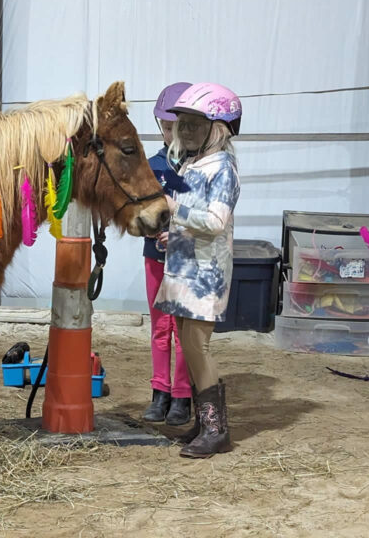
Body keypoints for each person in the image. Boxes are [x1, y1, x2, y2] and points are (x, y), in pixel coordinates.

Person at [154, 82, 242, 459]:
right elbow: (194, 220)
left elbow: (216, 220)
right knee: (189, 345)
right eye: (182, 123)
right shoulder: (193, 164)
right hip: (185, 266)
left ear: (217, 128)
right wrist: (172, 237)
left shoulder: (222, 168)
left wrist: (176, 211)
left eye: (194, 124)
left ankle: (215, 429)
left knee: (197, 346)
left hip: (206, 274)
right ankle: (205, 424)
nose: (185, 131)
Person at [141, 82, 193, 426]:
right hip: (156, 257)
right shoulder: (150, 165)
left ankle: (183, 394)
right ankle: (160, 391)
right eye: (165, 125)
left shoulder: (201, 166)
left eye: (175, 125)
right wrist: (153, 232)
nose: (169, 131)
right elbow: (140, 210)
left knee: (184, 328)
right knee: (160, 326)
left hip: (189, 259)